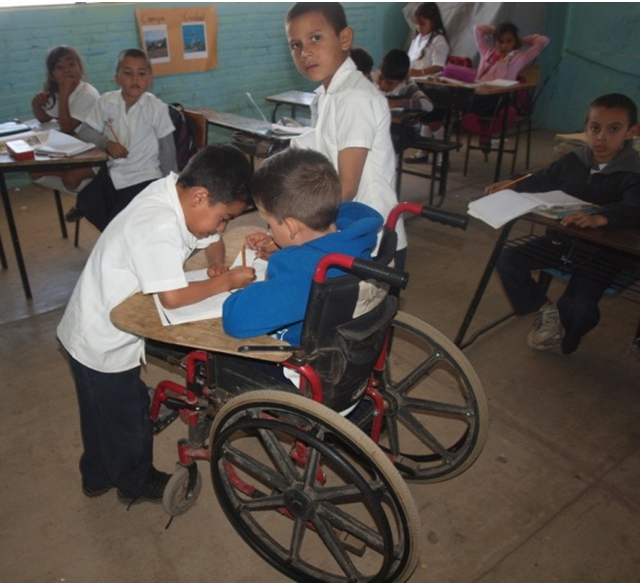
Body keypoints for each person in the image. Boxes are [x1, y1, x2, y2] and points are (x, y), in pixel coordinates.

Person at [57, 144, 254, 505]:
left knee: (100, 414)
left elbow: (212, 238)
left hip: (96, 327)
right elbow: (173, 298)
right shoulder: (157, 224)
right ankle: (135, 480)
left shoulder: (174, 192)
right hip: (99, 341)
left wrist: (217, 263)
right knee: (127, 417)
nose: (223, 226)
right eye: (225, 216)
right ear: (200, 197)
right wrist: (225, 283)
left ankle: (97, 476)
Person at [494, 93, 640, 355]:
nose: (601, 137)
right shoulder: (575, 160)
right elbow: (541, 179)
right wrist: (510, 185)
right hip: (563, 241)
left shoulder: (632, 172)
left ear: (631, 132)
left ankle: (570, 329)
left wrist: (602, 218)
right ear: (586, 129)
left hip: (601, 254)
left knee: (579, 311)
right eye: (595, 128)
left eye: (613, 129)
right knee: (506, 260)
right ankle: (546, 310)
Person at [284, 2, 407, 269]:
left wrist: (296, 225)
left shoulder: (353, 96)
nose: (305, 52)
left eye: (315, 38)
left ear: (344, 38)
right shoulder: (330, 94)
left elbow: (346, 188)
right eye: (296, 45)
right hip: (351, 230)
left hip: (372, 240)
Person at [222, 148, 382, 347]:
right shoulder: (355, 235)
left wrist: (235, 288)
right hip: (343, 346)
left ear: (291, 226)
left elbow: (236, 320)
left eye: (269, 224)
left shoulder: (300, 269)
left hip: (298, 363)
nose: (270, 231)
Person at [68, 48, 177, 231]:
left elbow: (168, 151)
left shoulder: (156, 108)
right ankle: (118, 237)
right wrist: (106, 143)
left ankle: (120, 239)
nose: (135, 79)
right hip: (114, 173)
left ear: (150, 79)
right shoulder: (106, 102)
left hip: (145, 177)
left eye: (141, 73)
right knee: (86, 201)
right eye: (127, 73)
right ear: (116, 77)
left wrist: (170, 189)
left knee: (120, 222)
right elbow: (85, 131)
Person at [463, 23, 550, 150]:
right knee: (467, 118)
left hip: (502, 97)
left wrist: (521, 40)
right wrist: (496, 31)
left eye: (509, 41)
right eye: (500, 41)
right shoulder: (487, 52)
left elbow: (543, 41)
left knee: (509, 113)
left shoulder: (520, 57)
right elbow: (478, 28)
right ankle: (484, 132)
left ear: (514, 42)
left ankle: (489, 133)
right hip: (481, 96)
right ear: (495, 41)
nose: (504, 46)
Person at [30, 46, 100, 191]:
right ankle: (86, 199)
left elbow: (67, 128)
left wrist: (64, 95)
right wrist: (37, 106)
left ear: (79, 68)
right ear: (52, 75)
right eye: (59, 67)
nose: (67, 70)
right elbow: (45, 119)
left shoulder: (87, 94)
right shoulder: (57, 92)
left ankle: (92, 198)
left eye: (71, 64)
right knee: (35, 172)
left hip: (97, 152)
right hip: (74, 151)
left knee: (70, 178)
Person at [404, 2, 450, 163]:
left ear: (433, 21)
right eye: (416, 23)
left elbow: (439, 65)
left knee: (433, 121)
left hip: (434, 87)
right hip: (417, 84)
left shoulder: (439, 40)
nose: (418, 27)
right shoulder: (417, 39)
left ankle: (442, 158)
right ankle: (422, 153)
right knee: (423, 118)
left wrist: (420, 72)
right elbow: (411, 60)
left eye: (422, 23)